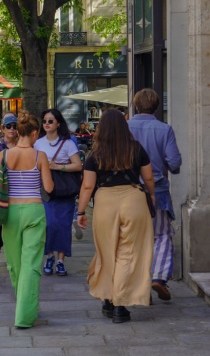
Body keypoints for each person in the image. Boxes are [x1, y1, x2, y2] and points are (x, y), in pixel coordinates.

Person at [77, 109, 155, 324]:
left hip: (105, 202)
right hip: (134, 199)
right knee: (129, 252)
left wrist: (81, 211)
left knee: (107, 251)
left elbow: (87, 185)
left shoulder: (94, 154)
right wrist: (152, 196)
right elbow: (148, 178)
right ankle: (120, 304)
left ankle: (110, 299)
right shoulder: (136, 149)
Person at [0, 110, 53, 328]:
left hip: (10, 212)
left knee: (15, 264)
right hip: (34, 211)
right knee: (31, 263)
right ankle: (25, 313)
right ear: (35, 133)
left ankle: (24, 304)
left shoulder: (4, 155)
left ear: (17, 132)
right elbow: (48, 188)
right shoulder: (40, 156)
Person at [127, 88, 182, 301]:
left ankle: (138, 281)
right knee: (161, 235)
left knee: (134, 237)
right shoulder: (164, 129)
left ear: (135, 105)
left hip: (129, 189)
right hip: (157, 189)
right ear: (157, 106)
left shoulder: (125, 127)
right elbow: (174, 161)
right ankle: (158, 276)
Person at [35, 108, 83, 277]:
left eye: (50, 121)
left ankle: (61, 260)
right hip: (46, 190)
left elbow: (78, 165)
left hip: (64, 190)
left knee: (63, 225)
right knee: (48, 224)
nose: (47, 124)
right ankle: (49, 256)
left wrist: (58, 166)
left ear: (58, 123)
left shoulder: (68, 143)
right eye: (45, 121)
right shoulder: (38, 143)